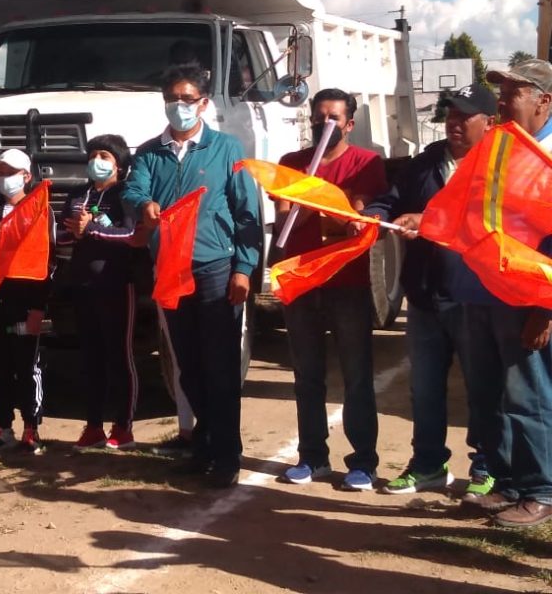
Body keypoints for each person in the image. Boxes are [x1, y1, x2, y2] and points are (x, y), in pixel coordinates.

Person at [122, 64, 262, 488]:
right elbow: (133, 189)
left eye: (187, 99)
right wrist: (143, 204)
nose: (178, 106)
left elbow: (247, 212)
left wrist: (244, 268)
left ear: (203, 103)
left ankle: (227, 454)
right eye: (172, 98)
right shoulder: (150, 152)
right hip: (171, 269)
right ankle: (205, 444)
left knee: (220, 365)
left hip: (215, 266)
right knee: (188, 365)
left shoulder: (227, 149)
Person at [362, 85, 496, 495]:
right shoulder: (426, 162)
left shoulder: (500, 165)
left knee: (483, 387)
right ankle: (428, 464)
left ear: (490, 123)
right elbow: (390, 200)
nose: (454, 123)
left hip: (477, 296)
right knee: (425, 388)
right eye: (451, 114)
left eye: (465, 116)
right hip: (424, 295)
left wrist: (429, 220)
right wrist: (373, 216)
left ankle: (487, 467)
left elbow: (493, 222)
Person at [276, 88, 388, 491]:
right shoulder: (292, 163)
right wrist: (309, 198)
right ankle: (312, 457)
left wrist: (328, 206)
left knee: (356, 374)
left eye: (333, 118)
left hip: (347, 284)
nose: (325, 124)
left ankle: (364, 462)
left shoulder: (366, 163)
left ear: (349, 124)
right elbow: (285, 221)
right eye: (319, 117)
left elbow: (355, 215)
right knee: (307, 374)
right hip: (302, 281)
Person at [459, 59, 552, 527]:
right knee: (498, 395)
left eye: (513, 91)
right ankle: (511, 482)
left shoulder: (548, 156)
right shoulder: (504, 146)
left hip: (532, 300)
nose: (501, 99)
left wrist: (545, 310)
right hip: (493, 292)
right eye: (501, 90)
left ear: (544, 101)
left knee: (530, 396)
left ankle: (542, 491)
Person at [57, 134, 140, 451]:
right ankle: (93, 427)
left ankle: (124, 427)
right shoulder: (78, 194)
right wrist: (76, 233)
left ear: (119, 164)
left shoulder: (126, 194)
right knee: (91, 358)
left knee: (120, 355)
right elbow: (62, 235)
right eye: (92, 155)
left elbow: (130, 233)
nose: (96, 161)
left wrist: (91, 229)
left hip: (116, 284)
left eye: (104, 156)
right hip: (82, 284)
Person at [0, 149, 54, 455]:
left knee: (27, 364)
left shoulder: (39, 210)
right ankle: (1, 425)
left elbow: (48, 261)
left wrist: (38, 307)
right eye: (0, 173)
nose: (4, 178)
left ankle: (31, 428)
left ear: (27, 176)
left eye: (11, 173)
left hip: (25, 300)